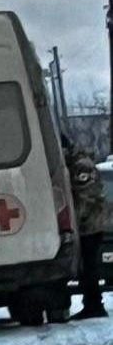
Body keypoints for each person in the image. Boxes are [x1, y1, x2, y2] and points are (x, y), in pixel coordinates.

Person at [64, 137, 107, 319]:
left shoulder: (81, 166)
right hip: (89, 223)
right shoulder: (78, 163)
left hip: (89, 225)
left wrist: (75, 221)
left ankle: (94, 305)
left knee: (89, 266)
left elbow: (86, 196)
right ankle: (91, 303)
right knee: (86, 266)